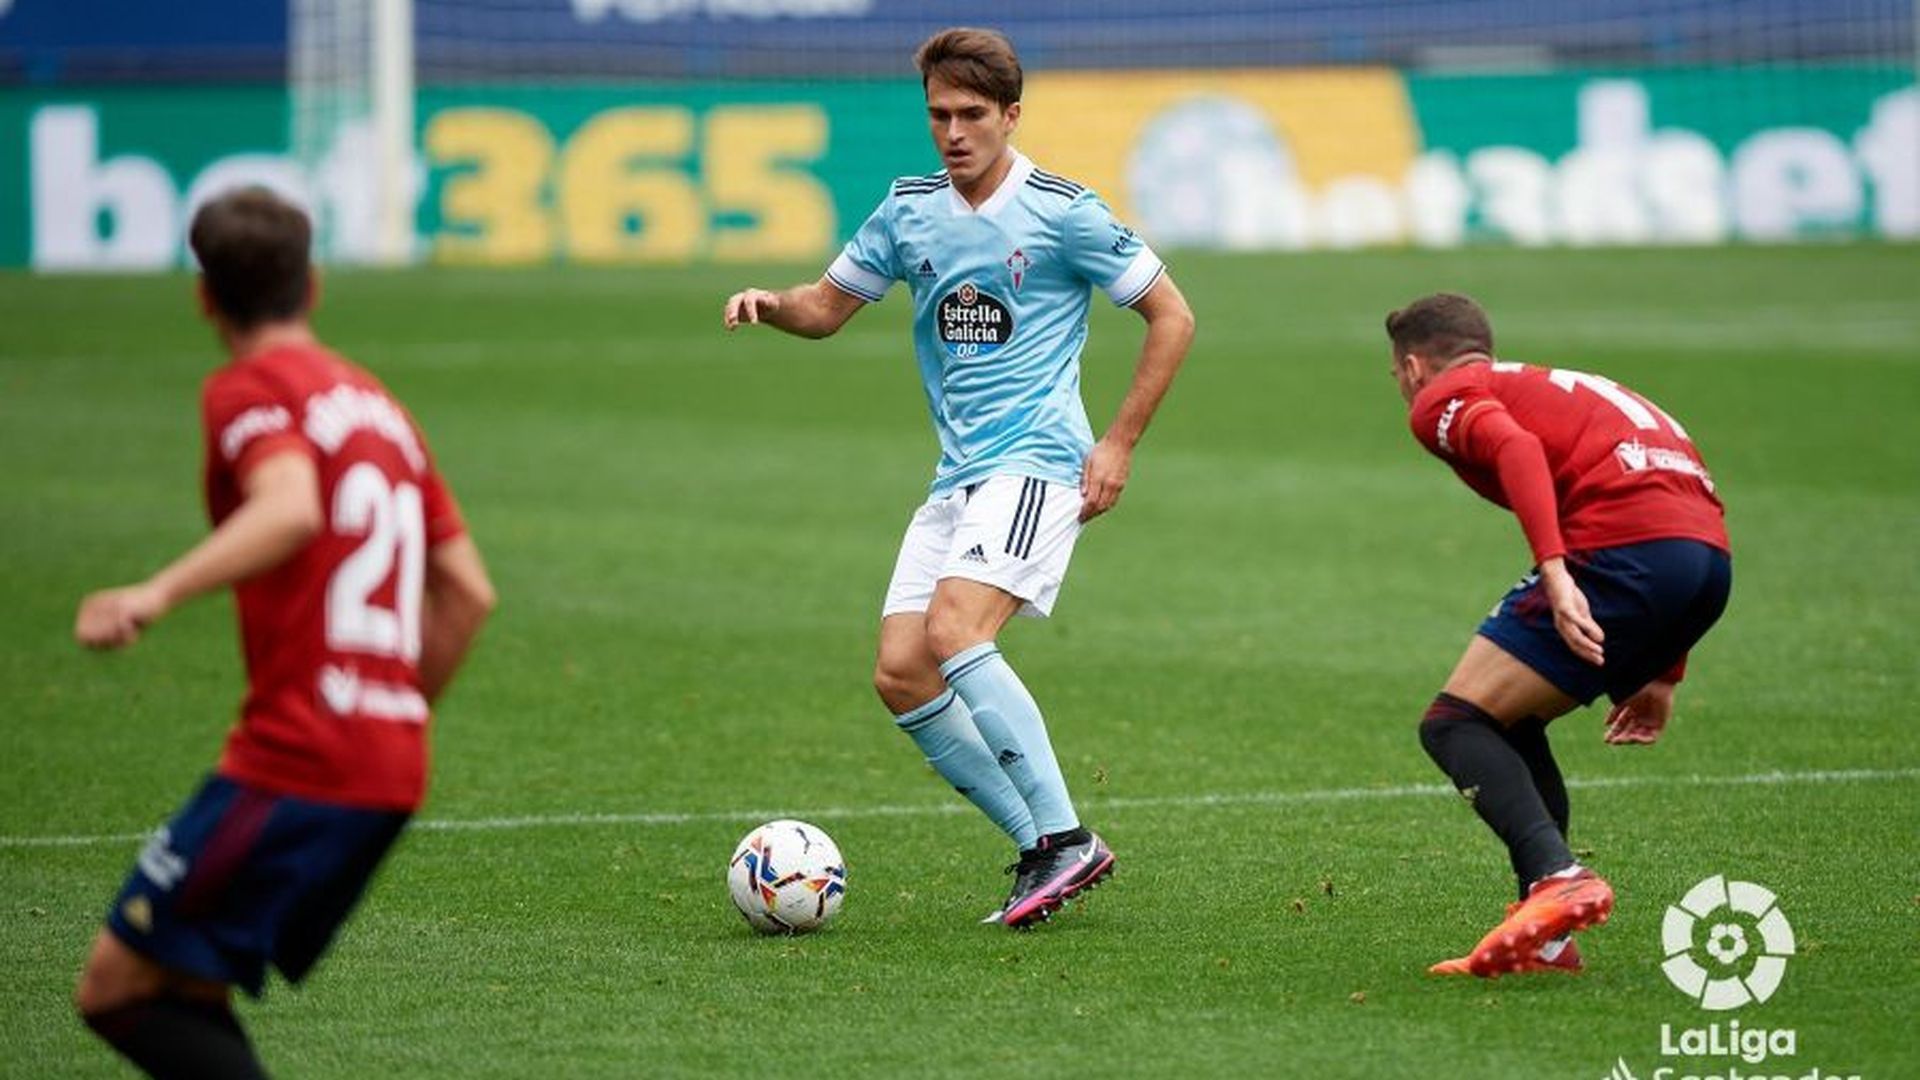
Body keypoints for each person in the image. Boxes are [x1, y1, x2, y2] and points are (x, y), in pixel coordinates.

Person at [722, 27, 1195, 928]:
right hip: (958, 478)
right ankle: (1041, 848)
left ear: (1011, 115)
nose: (953, 132)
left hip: (1040, 463)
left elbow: (1172, 315)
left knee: (953, 628)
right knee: (903, 671)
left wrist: (1119, 443)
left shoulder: (1064, 211)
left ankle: (1067, 838)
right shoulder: (908, 211)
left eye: (972, 114)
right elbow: (825, 309)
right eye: (939, 114)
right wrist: (771, 304)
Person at [71, 187, 496, 1076]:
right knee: (182, 988)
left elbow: (290, 507)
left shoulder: (249, 388)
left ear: (203, 297)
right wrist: (391, 709)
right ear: (314, 284)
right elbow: (468, 593)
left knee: (116, 989)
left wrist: (154, 593)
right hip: (390, 761)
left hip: (298, 757)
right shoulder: (378, 406)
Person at [1384, 293, 1731, 977]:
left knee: (1454, 723)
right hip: (1706, 562)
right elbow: (1679, 502)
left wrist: (1555, 568)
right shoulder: (1552, 384)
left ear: (1416, 365)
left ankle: (1557, 877)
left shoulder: (1443, 397)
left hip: (1622, 551)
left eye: (1396, 372)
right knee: (1510, 721)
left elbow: (1514, 447)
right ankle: (1546, 941)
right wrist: (1665, 667)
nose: (1400, 384)